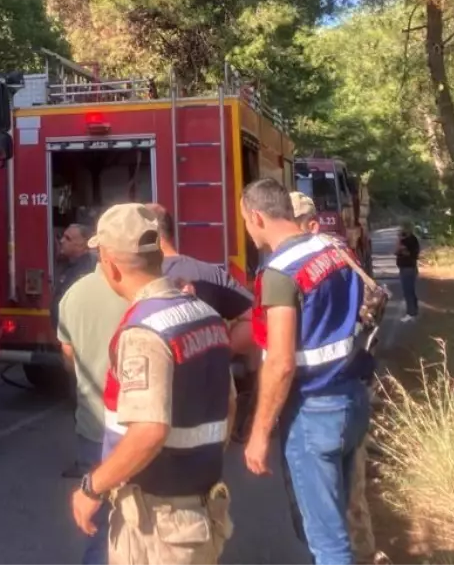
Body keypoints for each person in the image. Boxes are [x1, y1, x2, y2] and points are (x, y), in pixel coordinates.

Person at [70, 204, 235, 565]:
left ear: (109, 263)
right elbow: (229, 402)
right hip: (197, 510)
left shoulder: (144, 331)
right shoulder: (204, 314)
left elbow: (150, 430)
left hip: (158, 524)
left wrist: (91, 488)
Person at [242, 179, 371, 565]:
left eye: (246, 222)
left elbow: (281, 363)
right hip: (353, 398)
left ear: (257, 217)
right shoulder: (336, 248)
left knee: (328, 544)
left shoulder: (281, 273)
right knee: (339, 526)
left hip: (313, 412)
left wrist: (259, 434)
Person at [293, 192, 386, 565]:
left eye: (297, 223)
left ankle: (358, 555)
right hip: (348, 390)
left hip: (336, 393)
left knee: (344, 503)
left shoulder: (329, 258)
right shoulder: (334, 257)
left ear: (311, 224)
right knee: (341, 499)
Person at [56, 227, 130, 565]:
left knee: (98, 525)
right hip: (140, 431)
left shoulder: (73, 295)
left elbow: (69, 358)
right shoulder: (147, 294)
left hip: (92, 426)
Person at [143, 204, 256, 357]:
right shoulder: (211, 274)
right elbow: (257, 320)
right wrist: (219, 347)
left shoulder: (134, 279)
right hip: (209, 375)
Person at [50, 223, 96, 336]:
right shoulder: (70, 266)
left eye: (68, 238)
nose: (61, 241)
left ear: (82, 244)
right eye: (63, 236)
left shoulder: (86, 270)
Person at [395, 222, 421, 321]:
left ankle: (411, 313)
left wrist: (400, 243)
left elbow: (401, 251)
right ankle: (414, 310)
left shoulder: (409, 241)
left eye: (402, 228)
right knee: (410, 291)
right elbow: (396, 252)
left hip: (408, 269)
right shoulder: (410, 239)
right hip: (409, 268)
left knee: (408, 292)